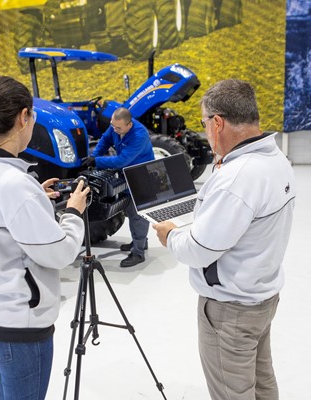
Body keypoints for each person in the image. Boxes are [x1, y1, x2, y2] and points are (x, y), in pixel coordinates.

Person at [153, 79, 296, 400]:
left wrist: (171, 234)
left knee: (233, 392)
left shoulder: (238, 178)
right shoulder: (276, 161)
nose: (204, 130)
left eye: (204, 123)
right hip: (261, 297)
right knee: (262, 382)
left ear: (217, 122)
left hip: (230, 311)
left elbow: (199, 251)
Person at [0, 75, 90, 400]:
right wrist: (73, 212)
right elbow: (60, 253)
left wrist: (34, 201)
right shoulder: (16, 186)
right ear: (24, 117)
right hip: (20, 325)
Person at [82, 107, 154, 268]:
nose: (115, 130)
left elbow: (122, 160)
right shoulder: (115, 125)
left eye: (118, 128)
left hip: (140, 175)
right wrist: (93, 156)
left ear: (129, 125)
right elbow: (105, 140)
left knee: (137, 214)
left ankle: (138, 253)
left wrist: (97, 162)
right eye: (113, 126)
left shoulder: (139, 135)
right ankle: (140, 241)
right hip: (126, 174)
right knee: (128, 209)